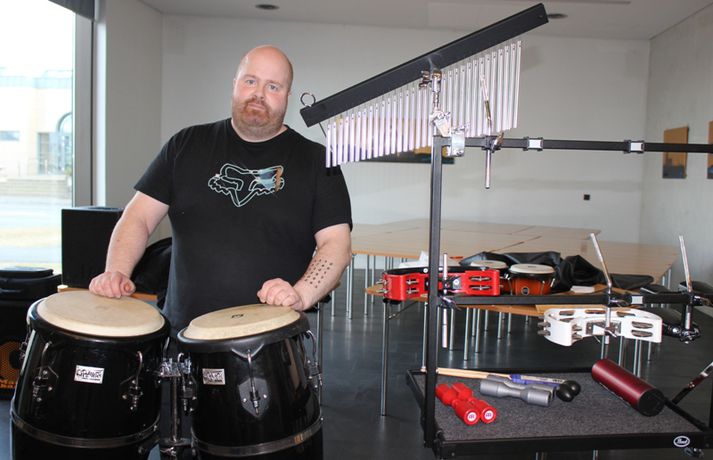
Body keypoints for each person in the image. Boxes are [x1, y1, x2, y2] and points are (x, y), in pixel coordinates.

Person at [89, 45, 352, 336]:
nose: (259, 94)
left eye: (273, 86)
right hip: (182, 337)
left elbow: (336, 245)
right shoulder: (186, 145)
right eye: (250, 81)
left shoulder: (317, 161)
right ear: (235, 84)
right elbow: (138, 216)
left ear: (287, 96)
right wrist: (116, 271)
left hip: (271, 342)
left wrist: (301, 294)